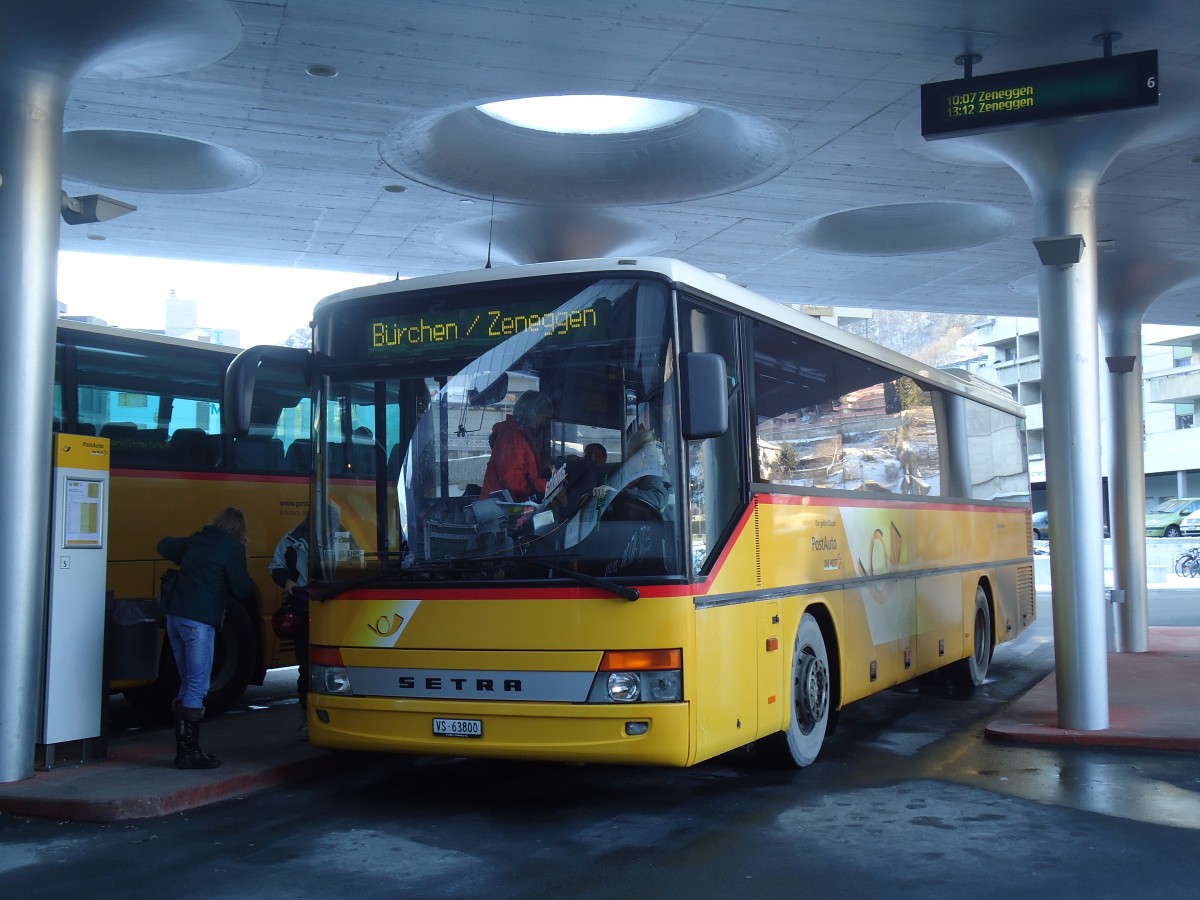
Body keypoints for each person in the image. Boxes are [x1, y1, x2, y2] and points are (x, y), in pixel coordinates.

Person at [157, 507, 255, 770]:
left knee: (188, 680)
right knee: (198, 684)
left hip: (175, 619)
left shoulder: (197, 540)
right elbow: (243, 589)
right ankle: (188, 753)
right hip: (198, 622)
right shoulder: (232, 548)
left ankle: (185, 751)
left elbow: (163, 545)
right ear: (239, 529)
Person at [270, 518, 310, 738]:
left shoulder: (346, 535)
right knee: (305, 665)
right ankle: (306, 714)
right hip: (304, 608)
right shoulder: (291, 540)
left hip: (335, 605)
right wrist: (287, 582)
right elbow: (276, 567)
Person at [481, 390, 553, 501]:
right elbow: (514, 481)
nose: (543, 422)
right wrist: (546, 485)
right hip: (499, 512)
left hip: (510, 509)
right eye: (542, 416)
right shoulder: (512, 439)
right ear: (531, 413)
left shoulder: (524, 437)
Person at [593, 429, 669, 518]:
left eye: (649, 455)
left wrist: (614, 493)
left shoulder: (655, 473)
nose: (642, 458)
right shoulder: (627, 471)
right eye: (632, 454)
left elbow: (657, 499)